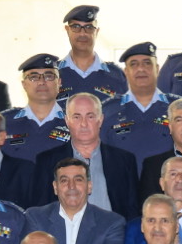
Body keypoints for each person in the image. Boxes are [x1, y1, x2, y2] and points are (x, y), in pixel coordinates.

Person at [32, 93, 141, 222]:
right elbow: (40, 214)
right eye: (77, 117)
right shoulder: (47, 161)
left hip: (112, 233)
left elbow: (133, 213)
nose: (84, 124)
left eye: (90, 116)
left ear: (100, 120)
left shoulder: (124, 160)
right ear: (67, 121)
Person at [100, 42, 174, 166]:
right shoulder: (106, 110)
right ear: (126, 72)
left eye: (147, 63)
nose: (141, 69)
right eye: (133, 64)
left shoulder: (177, 107)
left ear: (157, 68)